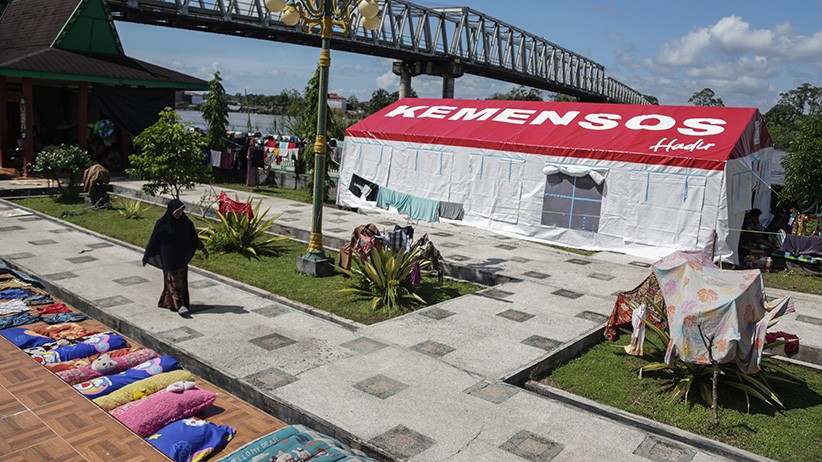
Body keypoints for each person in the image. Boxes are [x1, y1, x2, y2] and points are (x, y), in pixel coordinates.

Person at [142, 199, 208, 316]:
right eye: (176, 212)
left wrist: (203, 249)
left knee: (181, 282)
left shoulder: (186, 222)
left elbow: (194, 237)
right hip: (168, 257)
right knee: (173, 281)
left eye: (180, 211)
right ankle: (179, 305)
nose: (179, 214)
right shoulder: (162, 224)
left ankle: (167, 301)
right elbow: (153, 240)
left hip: (181, 257)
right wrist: (146, 256)